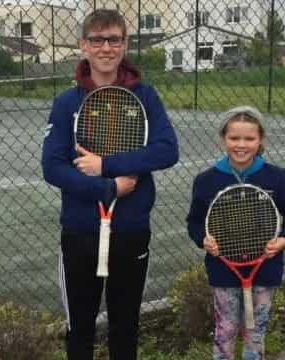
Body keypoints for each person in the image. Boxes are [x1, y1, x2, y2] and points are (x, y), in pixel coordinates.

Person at [41, 8, 179, 360]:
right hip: (80, 232)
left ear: (125, 44)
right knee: (80, 329)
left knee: (125, 327)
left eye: (114, 39)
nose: (106, 47)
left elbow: (167, 150)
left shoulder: (145, 97)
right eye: (98, 40)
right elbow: (53, 167)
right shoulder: (67, 103)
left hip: (131, 230)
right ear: (83, 46)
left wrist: (106, 165)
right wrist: (107, 188)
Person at [187, 105, 285, 360]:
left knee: (255, 331)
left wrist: (282, 239)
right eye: (234, 138)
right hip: (223, 268)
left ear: (261, 139)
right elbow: (195, 222)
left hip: (266, 267)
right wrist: (203, 240)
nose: (241, 145)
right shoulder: (206, 181)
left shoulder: (277, 178)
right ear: (223, 139)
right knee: (226, 329)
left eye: (249, 138)